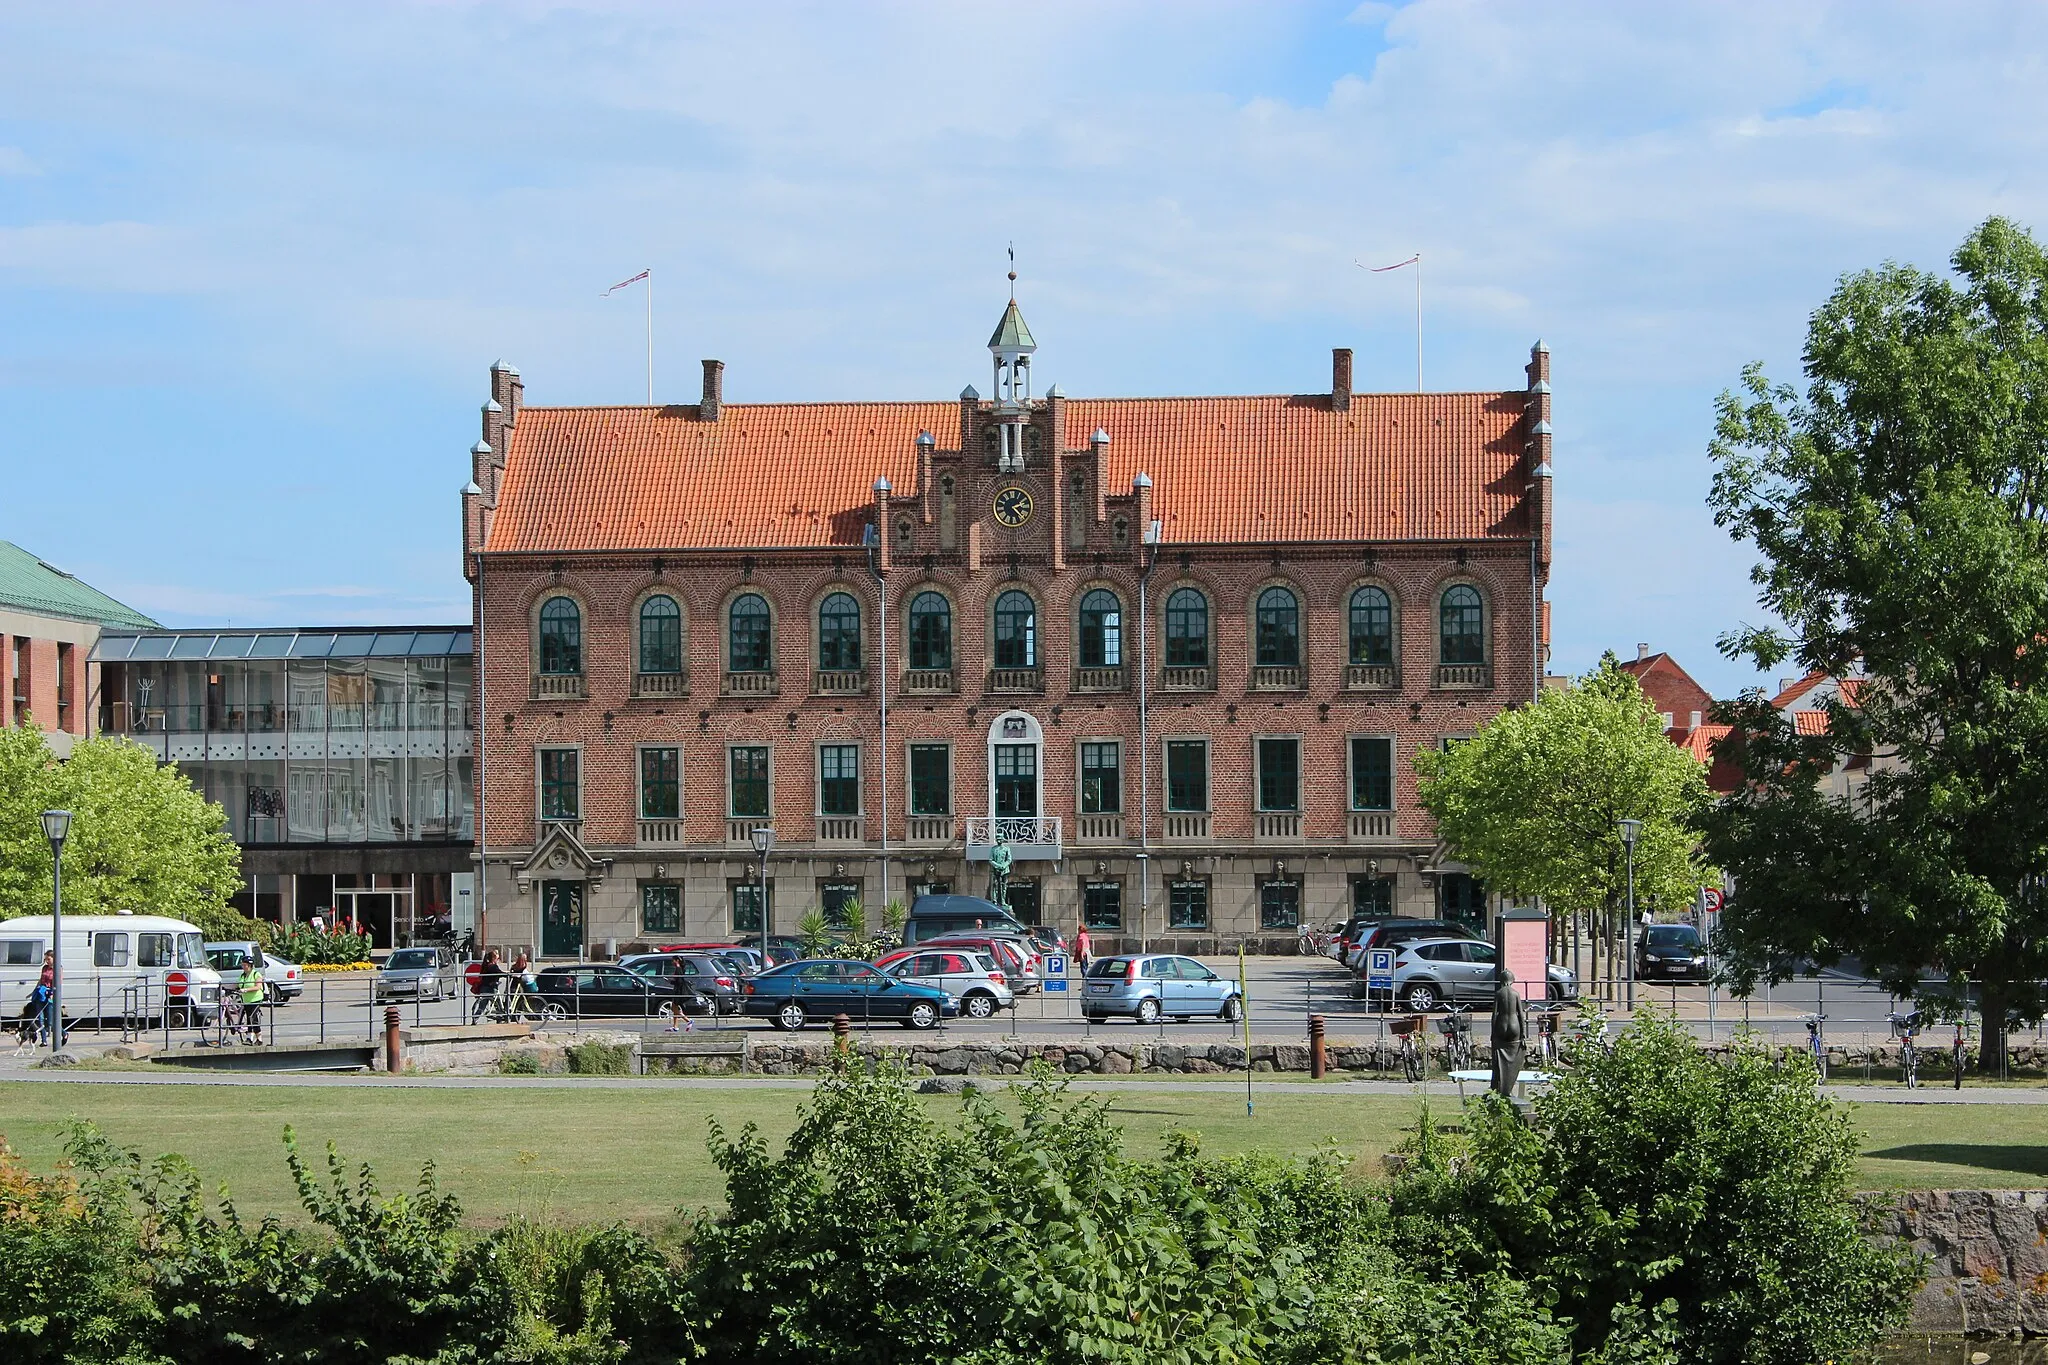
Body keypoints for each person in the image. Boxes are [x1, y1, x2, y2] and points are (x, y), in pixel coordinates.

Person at [236, 954, 266, 1044]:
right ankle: (249, 1038)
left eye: (245, 965)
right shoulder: (242, 976)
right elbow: (238, 985)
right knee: (249, 1019)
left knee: (253, 1017)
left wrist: (246, 990)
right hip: (246, 1000)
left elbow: (257, 987)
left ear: (250, 966)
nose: (243, 967)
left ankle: (259, 1039)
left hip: (256, 999)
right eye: (243, 965)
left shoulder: (256, 974)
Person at [470, 950, 507, 1023]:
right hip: (491, 988)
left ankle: (475, 1019)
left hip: (484, 987)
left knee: (482, 1006)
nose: (497, 960)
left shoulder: (486, 965)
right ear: (493, 959)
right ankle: (499, 1019)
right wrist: (508, 975)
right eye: (497, 959)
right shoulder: (493, 966)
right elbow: (499, 972)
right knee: (498, 1004)